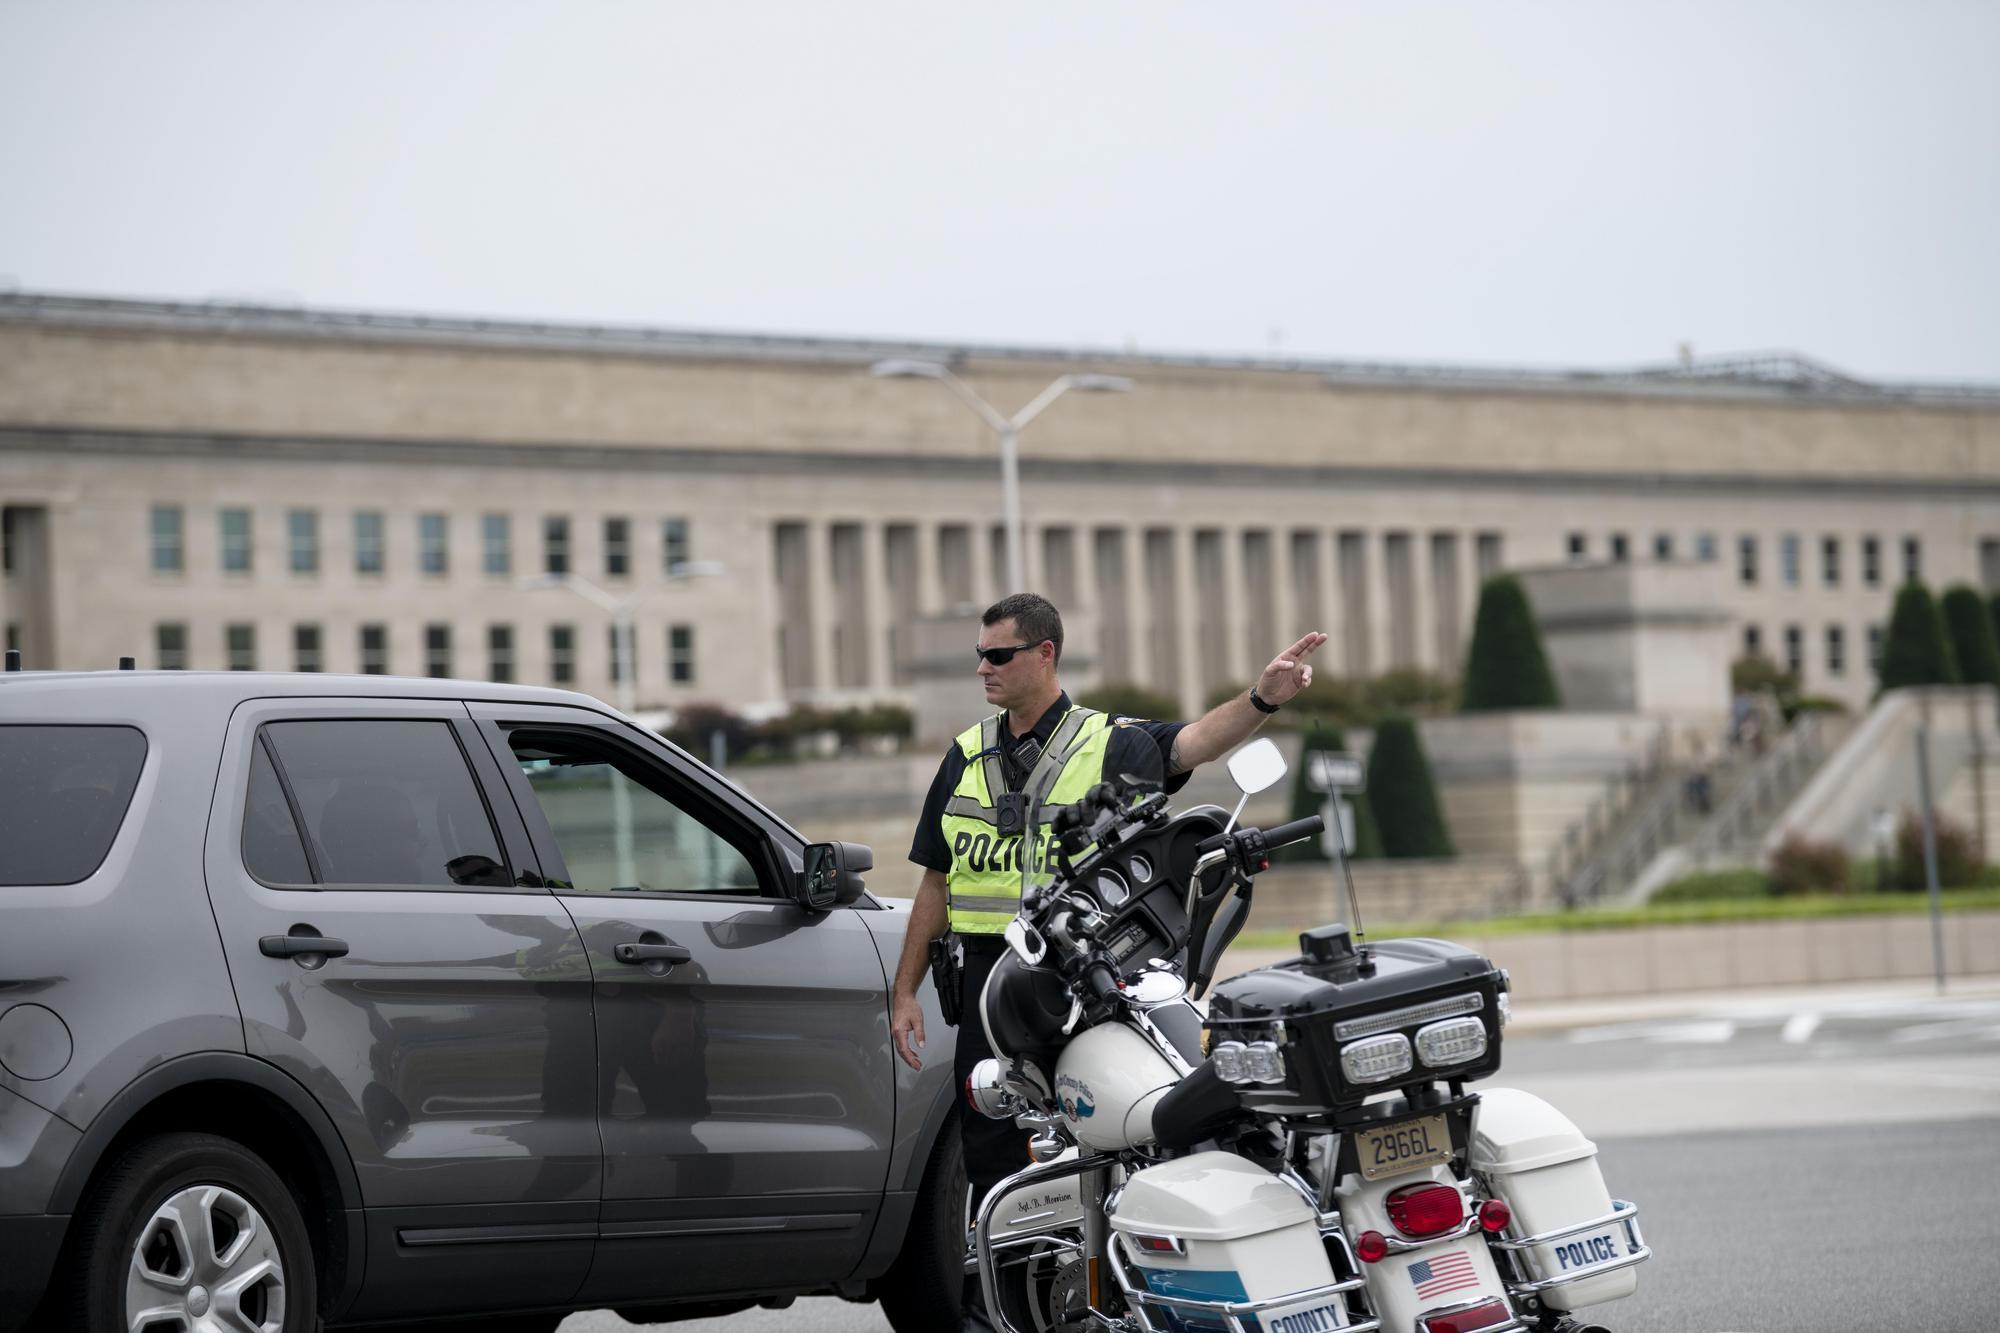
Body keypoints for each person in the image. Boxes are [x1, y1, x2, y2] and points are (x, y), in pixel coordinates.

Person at [888, 592, 1325, 1326]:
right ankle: (1012, 1308)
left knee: (1112, 1133)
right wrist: (905, 991)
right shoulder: (966, 753)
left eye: (998, 655)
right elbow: (936, 879)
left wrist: (1262, 698)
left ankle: (1122, 1287)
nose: (983, 668)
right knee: (992, 1152)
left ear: (1045, 654)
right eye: (980, 655)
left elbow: (1195, 743)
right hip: (991, 990)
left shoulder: (1108, 742)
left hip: (1083, 980)